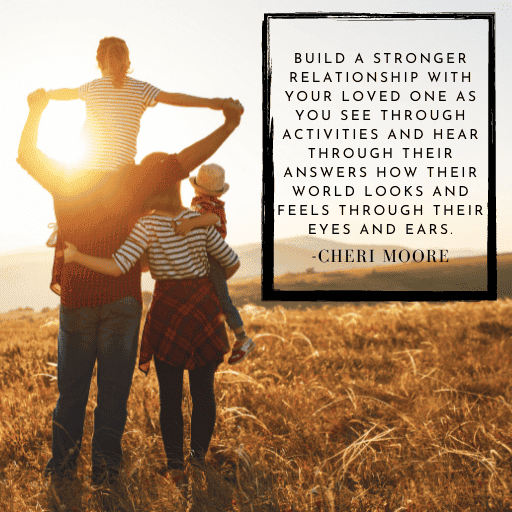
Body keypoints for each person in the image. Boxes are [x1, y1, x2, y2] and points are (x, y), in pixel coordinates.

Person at [17, 87, 243, 510]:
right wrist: (227, 124)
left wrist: (36, 110)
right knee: (113, 396)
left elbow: (27, 154)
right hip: (122, 301)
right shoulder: (133, 177)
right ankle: (106, 474)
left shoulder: (65, 174)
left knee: (71, 394)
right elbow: (183, 163)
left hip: (78, 300)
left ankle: (62, 470)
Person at [63, 176, 240, 484]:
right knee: (203, 391)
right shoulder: (198, 221)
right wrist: (207, 284)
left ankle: (175, 468)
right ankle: (197, 462)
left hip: (168, 310)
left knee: (169, 396)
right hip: (203, 309)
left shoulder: (147, 225)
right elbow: (232, 262)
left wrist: (77, 256)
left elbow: (118, 266)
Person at [43, 36, 228, 286]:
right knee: (142, 211)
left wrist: (45, 96)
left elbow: (66, 93)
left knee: (68, 216)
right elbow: (175, 98)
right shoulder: (141, 88)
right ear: (128, 61)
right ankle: (143, 259)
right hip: (122, 177)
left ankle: (62, 259)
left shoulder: (92, 87)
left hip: (84, 174)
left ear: (99, 63)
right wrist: (210, 103)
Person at [174, 163, 255, 364]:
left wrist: (190, 224)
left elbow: (211, 219)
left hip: (211, 257)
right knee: (212, 298)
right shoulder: (204, 202)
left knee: (222, 299)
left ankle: (243, 338)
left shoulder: (208, 206)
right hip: (207, 256)